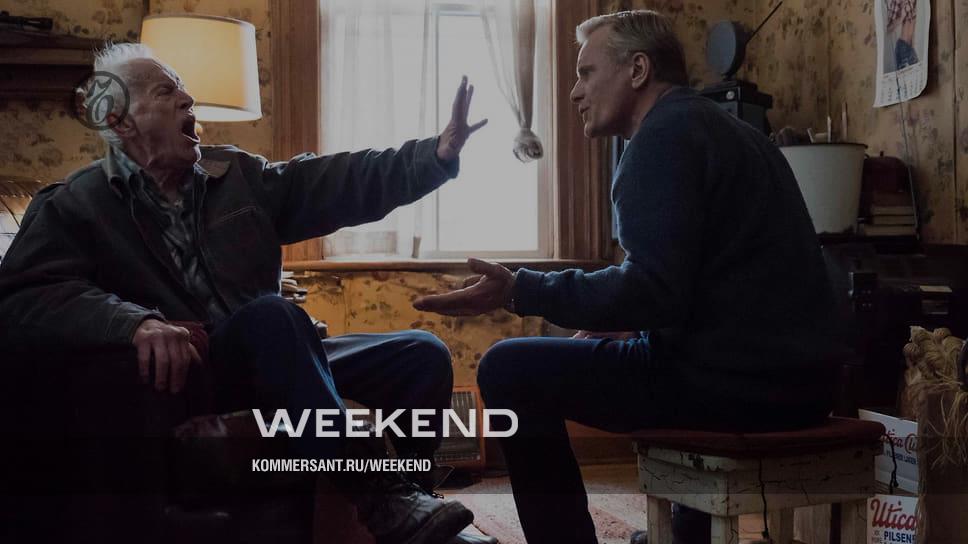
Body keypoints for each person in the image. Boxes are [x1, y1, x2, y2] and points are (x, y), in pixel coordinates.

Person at [0, 43, 488, 544]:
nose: (188, 99)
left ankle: (415, 512)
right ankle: (381, 498)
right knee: (272, 316)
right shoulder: (75, 203)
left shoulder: (235, 175)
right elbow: (23, 297)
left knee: (420, 355)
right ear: (120, 120)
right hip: (198, 372)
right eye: (167, 92)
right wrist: (132, 321)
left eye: (184, 89)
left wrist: (434, 155)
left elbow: (337, 181)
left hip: (276, 355)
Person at [414, 10, 840, 544]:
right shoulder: (731, 132)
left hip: (736, 388)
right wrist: (630, 324)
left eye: (586, 72)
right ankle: (686, 535)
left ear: (638, 70)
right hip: (802, 385)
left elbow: (652, 291)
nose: (575, 91)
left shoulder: (660, 139)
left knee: (508, 367)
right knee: (631, 348)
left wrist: (521, 288)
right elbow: (708, 282)